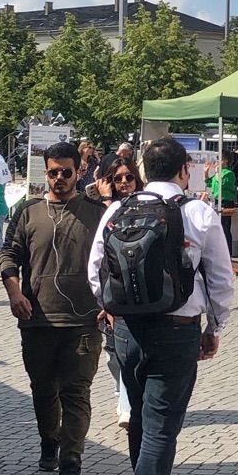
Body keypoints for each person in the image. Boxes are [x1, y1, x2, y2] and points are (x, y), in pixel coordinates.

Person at [86, 135, 235, 475]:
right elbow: (222, 279)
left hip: (127, 329)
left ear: (142, 170)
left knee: (139, 416)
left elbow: (95, 269)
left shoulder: (118, 208)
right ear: (184, 169)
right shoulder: (199, 213)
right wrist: (215, 328)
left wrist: (111, 307)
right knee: (162, 425)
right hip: (176, 328)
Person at [0, 141, 107, 475]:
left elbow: (112, 263)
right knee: (43, 390)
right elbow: (9, 256)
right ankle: (50, 440)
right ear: (44, 173)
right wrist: (15, 293)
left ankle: (71, 461)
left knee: (77, 392)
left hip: (84, 320)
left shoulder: (95, 213)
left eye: (66, 172)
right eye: (53, 172)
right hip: (37, 318)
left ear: (79, 171)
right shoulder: (28, 212)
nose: (59, 178)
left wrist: (111, 303)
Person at [94, 158, 142, 429]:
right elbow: (97, 257)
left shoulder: (149, 205)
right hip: (112, 290)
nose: (124, 183)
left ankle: (127, 404)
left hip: (139, 293)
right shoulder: (107, 209)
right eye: (118, 179)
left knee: (128, 354)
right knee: (114, 355)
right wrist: (102, 299)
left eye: (129, 178)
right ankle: (121, 393)